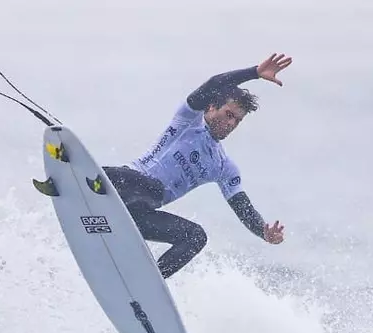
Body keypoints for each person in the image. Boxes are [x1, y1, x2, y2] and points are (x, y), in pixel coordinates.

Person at [102, 53, 293, 279]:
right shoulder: (188, 121)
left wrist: (263, 231)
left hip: (140, 213)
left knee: (196, 237)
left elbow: (243, 207)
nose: (231, 123)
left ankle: (149, 282)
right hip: (122, 186)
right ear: (211, 108)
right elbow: (215, 83)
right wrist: (253, 73)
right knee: (152, 186)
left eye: (237, 120)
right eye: (228, 114)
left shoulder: (223, 166)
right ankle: (80, 178)